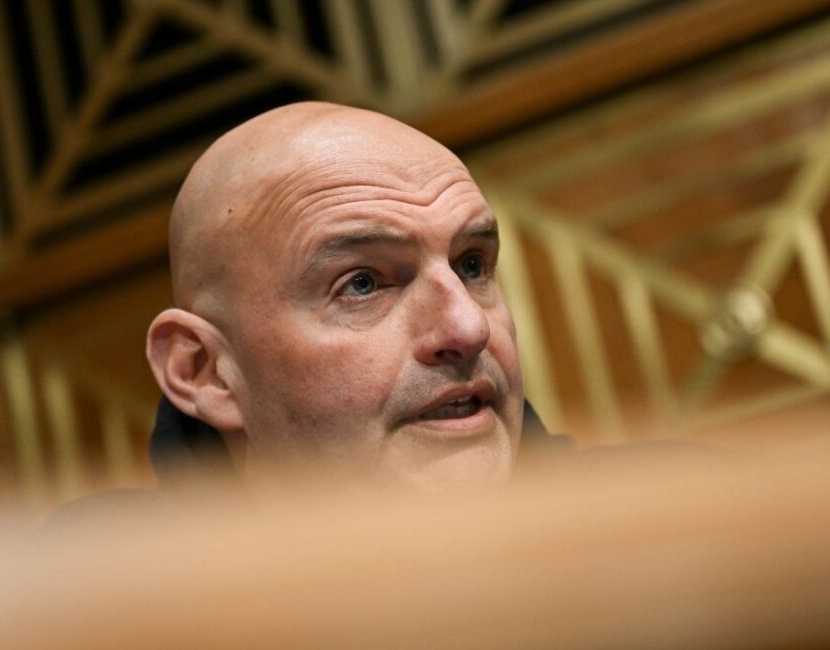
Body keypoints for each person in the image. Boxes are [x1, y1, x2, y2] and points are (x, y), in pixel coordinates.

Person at [144, 101, 564, 494]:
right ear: (206, 372)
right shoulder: (96, 570)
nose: (469, 328)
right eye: (362, 284)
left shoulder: (627, 541)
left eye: (471, 266)